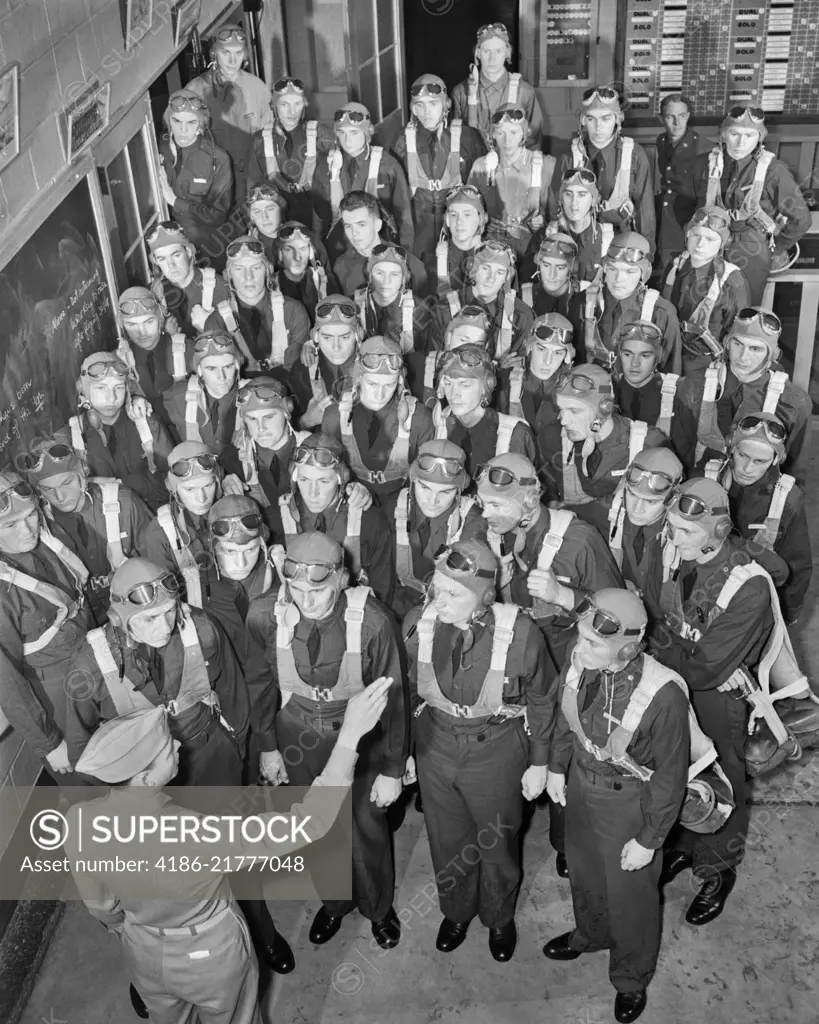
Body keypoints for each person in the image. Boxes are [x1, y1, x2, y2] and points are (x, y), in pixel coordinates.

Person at [68, 682, 392, 1024]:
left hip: (143, 954)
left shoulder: (79, 821)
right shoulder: (198, 834)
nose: (178, 743)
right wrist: (349, 738)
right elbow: (308, 823)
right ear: (145, 780)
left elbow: (102, 906)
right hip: (210, 957)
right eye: (167, 748)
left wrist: (132, 929)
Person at [245, 532, 409, 949]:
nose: (306, 601)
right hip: (296, 733)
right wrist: (267, 745)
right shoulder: (266, 615)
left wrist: (392, 769)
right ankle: (334, 903)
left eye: (317, 590)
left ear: (341, 579)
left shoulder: (372, 621)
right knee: (314, 827)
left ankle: (377, 907)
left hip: (360, 740)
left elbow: (392, 700)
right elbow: (261, 684)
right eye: (296, 589)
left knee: (366, 828)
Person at [643, 479, 792, 926]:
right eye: (671, 527)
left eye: (686, 531)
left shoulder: (748, 585)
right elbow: (654, 611)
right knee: (678, 770)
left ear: (719, 530)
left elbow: (708, 666)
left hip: (715, 700)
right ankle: (685, 846)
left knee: (724, 782)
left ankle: (716, 869)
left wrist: (660, 671)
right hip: (676, 682)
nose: (673, 538)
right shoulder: (668, 549)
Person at [403, 538, 557, 960]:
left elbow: (543, 697)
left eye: (455, 593)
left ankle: (499, 917)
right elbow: (401, 692)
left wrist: (540, 762)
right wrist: (402, 754)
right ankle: (456, 911)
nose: (441, 599)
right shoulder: (419, 623)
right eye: (438, 588)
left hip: (496, 751)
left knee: (497, 844)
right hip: (436, 746)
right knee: (446, 840)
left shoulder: (522, 633)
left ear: (485, 596)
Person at [544, 589, 690, 1024]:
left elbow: (670, 776)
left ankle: (631, 977)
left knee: (632, 897)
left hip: (631, 803)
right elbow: (565, 719)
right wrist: (556, 767)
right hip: (581, 790)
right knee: (585, 873)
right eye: (582, 637)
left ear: (626, 647)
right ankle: (590, 933)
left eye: (592, 642)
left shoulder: (663, 695)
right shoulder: (582, 665)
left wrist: (650, 838)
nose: (579, 647)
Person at [476, 452, 623, 665]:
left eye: (496, 505)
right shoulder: (490, 534)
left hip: (564, 654)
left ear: (529, 501)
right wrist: (493, 585)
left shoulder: (580, 541)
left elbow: (617, 618)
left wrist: (563, 596)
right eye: (483, 503)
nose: (485, 514)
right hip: (510, 646)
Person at [0, 471, 94, 783]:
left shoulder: (48, 540)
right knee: (86, 783)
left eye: (30, 516)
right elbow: (6, 679)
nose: (27, 530)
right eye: (10, 525)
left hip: (93, 661)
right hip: (54, 691)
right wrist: (48, 742)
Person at [671, 307, 812, 487]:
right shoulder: (693, 386)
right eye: (738, 344)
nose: (743, 357)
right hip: (700, 493)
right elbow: (680, 452)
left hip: (755, 502)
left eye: (755, 349)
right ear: (727, 343)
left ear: (773, 354)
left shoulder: (794, 403)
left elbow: (794, 474)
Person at [22, 432, 152, 625]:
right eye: (48, 489)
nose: (60, 496)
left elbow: (157, 561)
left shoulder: (124, 504)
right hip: (88, 622)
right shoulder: (39, 529)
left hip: (139, 609)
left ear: (82, 474)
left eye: (66, 483)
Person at [691, 105, 810, 303]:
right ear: (723, 134)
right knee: (701, 308)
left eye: (749, 135)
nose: (740, 142)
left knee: (743, 310)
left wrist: (775, 249)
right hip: (707, 247)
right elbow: (687, 204)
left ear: (759, 138)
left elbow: (802, 219)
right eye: (734, 133)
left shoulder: (773, 171)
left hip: (751, 251)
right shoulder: (704, 165)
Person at [704, 413, 812, 625]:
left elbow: (797, 563)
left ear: (775, 460)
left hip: (752, 603)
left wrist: (788, 614)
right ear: (731, 448)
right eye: (743, 456)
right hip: (705, 592)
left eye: (760, 461)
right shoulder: (708, 479)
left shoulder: (787, 500)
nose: (747, 468)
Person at [547, 363, 666, 536]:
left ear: (605, 408)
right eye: (561, 409)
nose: (564, 421)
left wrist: (576, 510)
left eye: (574, 411)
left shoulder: (650, 444)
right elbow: (547, 480)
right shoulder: (552, 438)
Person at [278, 433, 394, 607]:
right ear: (294, 479)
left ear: (341, 480)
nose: (312, 493)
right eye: (304, 480)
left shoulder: (369, 521)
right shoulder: (282, 516)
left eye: (323, 481)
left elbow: (383, 591)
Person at [322, 335, 434, 514]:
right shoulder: (335, 417)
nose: (380, 394)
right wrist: (350, 487)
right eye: (372, 384)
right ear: (357, 377)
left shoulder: (419, 419)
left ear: (399, 380)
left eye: (388, 385)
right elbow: (328, 473)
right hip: (355, 501)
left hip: (404, 503)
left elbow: (428, 478)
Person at [391, 74, 486, 259]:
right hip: (418, 232)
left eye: (433, 103)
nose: (427, 112)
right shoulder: (401, 142)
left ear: (445, 105)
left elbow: (483, 190)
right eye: (420, 105)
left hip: (458, 230)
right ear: (413, 109)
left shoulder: (468, 138)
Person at [69, 351, 173, 513]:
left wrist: (115, 483)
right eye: (101, 388)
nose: (111, 398)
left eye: (118, 387)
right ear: (83, 389)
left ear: (127, 389)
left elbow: (173, 482)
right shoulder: (72, 436)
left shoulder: (147, 424)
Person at [185, 24, 273, 206]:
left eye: (239, 53)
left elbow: (268, 136)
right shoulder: (195, 90)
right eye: (226, 53)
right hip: (213, 180)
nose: (233, 61)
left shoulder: (257, 88)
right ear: (214, 54)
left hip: (251, 175)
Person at [312, 103, 414, 257]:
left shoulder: (388, 165)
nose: (347, 140)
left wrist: (405, 256)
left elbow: (404, 216)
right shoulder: (325, 167)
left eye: (354, 133)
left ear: (368, 132)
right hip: (339, 253)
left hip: (381, 252)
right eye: (342, 133)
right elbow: (318, 219)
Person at [557, 88, 655, 248]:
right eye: (591, 119)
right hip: (579, 246)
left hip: (620, 248)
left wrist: (645, 254)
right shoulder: (570, 155)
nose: (598, 127)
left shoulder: (634, 155)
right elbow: (558, 208)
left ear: (617, 119)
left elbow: (646, 212)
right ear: (583, 120)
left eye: (605, 118)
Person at [391, 440, 477, 619]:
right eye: (424, 488)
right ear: (412, 481)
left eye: (445, 492)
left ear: (459, 492)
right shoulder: (393, 508)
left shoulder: (473, 522)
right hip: (398, 605)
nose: (432, 501)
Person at [660, 206, 750, 373]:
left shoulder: (732, 280)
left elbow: (739, 333)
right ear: (688, 235)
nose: (700, 244)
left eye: (710, 239)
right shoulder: (674, 266)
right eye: (696, 235)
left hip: (705, 366)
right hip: (668, 356)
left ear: (723, 243)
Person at [581, 231, 681, 374]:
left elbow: (671, 372)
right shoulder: (585, 303)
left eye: (630, 272)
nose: (618, 279)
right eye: (612, 269)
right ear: (604, 268)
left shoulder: (661, 313)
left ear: (643, 274)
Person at [605, 447, 684, 627]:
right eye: (632, 495)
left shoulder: (686, 535)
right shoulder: (612, 514)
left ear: (673, 499)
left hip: (666, 628)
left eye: (651, 501)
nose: (637, 509)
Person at [431, 344, 536, 478]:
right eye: (448, 383)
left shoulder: (516, 434)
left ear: (487, 386)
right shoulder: (441, 422)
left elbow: (528, 488)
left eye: (465, 385)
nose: (454, 394)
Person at [138, 441, 221, 609]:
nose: (201, 498)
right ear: (174, 490)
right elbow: (165, 597)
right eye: (190, 490)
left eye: (208, 485)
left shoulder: (233, 508)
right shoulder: (160, 532)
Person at [246, 77, 335, 228]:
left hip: (317, 215)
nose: (292, 111)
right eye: (284, 104)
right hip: (277, 217)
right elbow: (252, 184)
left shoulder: (321, 134)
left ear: (304, 105)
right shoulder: (260, 140)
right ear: (274, 106)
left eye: (297, 104)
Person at [468, 104, 555, 257]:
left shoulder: (544, 165)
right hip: (492, 251)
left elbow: (559, 216)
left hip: (532, 250)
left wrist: (543, 221)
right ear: (493, 134)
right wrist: (483, 221)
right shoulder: (481, 166)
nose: (507, 140)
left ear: (524, 134)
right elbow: (467, 211)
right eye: (501, 133)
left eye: (514, 132)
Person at [157, 91, 233, 266]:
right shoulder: (154, 148)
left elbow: (218, 214)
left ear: (202, 124)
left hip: (204, 249)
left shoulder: (218, 159)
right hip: (165, 249)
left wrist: (175, 202)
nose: (183, 130)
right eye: (177, 121)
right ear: (168, 121)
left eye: (191, 122)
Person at [430, 239, 533, 362]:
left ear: (507, 277)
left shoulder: (520, 316)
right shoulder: (444, 310)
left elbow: (518, 367)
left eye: (499, 272)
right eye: (486, 268)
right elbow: (433, 362)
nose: (491, 278)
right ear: (472, 268)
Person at [222, 235, 311, 372]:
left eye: (256, 268)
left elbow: (298, 371)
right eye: (239, 269)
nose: (248, 277)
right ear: (229, 275)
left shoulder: (293, 311)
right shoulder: (218, 321)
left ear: (267, 272)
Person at [451, 23, 543, 150]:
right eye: (486, 51)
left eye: (498, 51)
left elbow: (533, 142)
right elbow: (455, 141)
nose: (492, 59)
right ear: (478, 53)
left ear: (507, 53)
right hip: (473, 167)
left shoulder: (524, 92)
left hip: (512, 167)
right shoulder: (461, 92)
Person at [498, 314, 574, 467]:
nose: (548, 361)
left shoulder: (575, 390)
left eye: (558, 353)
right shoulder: (503, 380)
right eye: (541, 349)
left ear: (567, 356)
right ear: (529, 346)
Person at [116, 286, 195, 431]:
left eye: (149, 322)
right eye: (132, 324)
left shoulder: (186, 349)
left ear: (160, 319)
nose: (142, 332)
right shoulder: (118, 363)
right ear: (122, 326)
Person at [333, 191, 429, 298]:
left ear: (377, 225)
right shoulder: (340, 267)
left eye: (361, 225)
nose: (354, 233)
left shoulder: (410, 265)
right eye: (348, 226)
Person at [147, 220, 234, 339]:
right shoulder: (156, 292)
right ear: (156, 262)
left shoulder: (217, 287)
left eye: (176, 255)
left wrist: (209, 326)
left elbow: (236, 344)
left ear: (188, 252)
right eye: (162, 259)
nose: (170, 265)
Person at [527, 168, 613, 285]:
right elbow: (526, 287)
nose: (574, 203)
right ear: (561, 199)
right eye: (568, 194)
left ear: (594, 200)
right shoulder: (543, 238)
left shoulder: (608, 241)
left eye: (582, 195)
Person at [288, 295, 363, 426]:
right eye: (327, 338)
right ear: (316, 337)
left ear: (358, 335)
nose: (336, 347)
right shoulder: (302, 371)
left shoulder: (374, 365)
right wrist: (305, 421)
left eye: (344, 337)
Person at [165, 332, 243, 454]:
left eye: (228, 367)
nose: (221, 377)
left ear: (237, 365)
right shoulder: (179, 398)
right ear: (199, 370)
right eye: (211, 369)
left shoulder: (249, 397)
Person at [654, 94, 703, 274]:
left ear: (688, 116)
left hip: (685, 219)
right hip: (665, 216)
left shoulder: (702, 147)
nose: (677, 123)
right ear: (661, 119)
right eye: (670, 117)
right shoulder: (662, 141)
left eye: (682, 116)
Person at [353, 243, 427, 354]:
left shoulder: (420, 310)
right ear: (369, 276)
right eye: (379, 273)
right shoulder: (353, 307)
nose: (386, 281)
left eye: (394, 274)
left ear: (404, 278)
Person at [612, 320, 680, 434]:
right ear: (619, 354)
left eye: (645, 355)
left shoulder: (678, 391)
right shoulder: (607, 385)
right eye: (628, 354)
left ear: (658, 357)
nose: (635, 363)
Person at [426, 183, 488, 299]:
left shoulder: (495, 258)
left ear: (481, 219)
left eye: (467, 215)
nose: (459, 221)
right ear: (447, 220)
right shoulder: (432, 260)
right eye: (454, 215)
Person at [275, 220, 338, 319]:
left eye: (303, 249)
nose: (297, 257)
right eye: (289, 249)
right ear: (280, 254)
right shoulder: (270, 285)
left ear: (311, 253)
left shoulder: (325, 281)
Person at [519, 233, 586, 320]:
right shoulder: (524, 297)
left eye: (560, 268)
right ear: (539, 264)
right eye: (546, 265)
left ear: (572, 267)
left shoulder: (582, 302)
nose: (551, 275)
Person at [243, 182, 291, 263]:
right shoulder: (245, 250)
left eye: (270, 209)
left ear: (281, 209)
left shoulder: (303, 239)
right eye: (257, 212)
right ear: (251, 216)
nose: (264, 217)